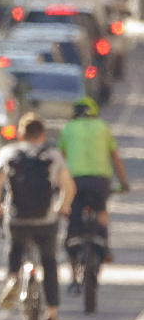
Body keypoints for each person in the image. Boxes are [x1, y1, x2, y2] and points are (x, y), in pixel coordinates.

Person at [0, 114, 75, 320]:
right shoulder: (52, 155)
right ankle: (52, 314)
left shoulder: (8, 153)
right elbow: (69, 187)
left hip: (17, 218)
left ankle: (12, 279)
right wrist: (62, 207)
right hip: (46, 220)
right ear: (42, 134)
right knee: (49, 261)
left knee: (14, 246)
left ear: (20, 134)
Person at [58, 96, 131, 287]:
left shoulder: (68, 128)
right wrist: (124, 183)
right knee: (101, 212)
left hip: (74, 181)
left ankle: (74, 276)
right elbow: (115, 158)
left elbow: (59, 161)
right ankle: (104, 246)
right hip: (100, 181)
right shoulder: (103, 127)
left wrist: (55, 186)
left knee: (73, 228)